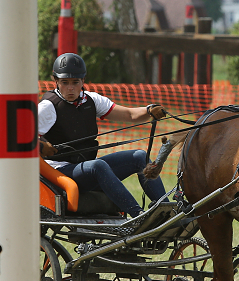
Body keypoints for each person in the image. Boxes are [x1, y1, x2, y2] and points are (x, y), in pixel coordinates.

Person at [38, 52, 167, 219]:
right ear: (55, 80)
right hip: (60, 171)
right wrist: (40, 144)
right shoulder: (48, 107)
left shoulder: (91, 100)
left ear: (83, 81)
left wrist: (149, 110)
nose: (70, 88)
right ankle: (138, 217)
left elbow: (129, 114)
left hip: (86, 169)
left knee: (140, 157)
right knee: (98, 166)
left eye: (75, 82)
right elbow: (19, 135)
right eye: (64, 82)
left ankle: (164, 211)